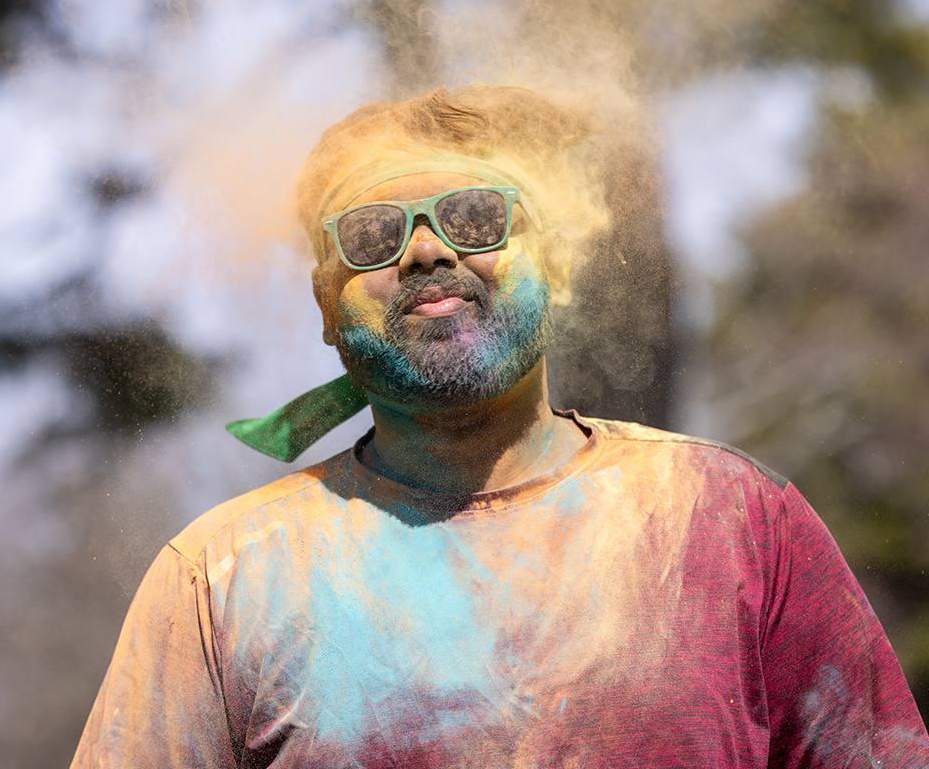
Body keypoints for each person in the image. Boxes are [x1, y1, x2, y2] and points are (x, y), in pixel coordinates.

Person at [70, 84, 929, 768]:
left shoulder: (733, 518)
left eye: (475, 218)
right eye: (372, 235)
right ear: (326, 306)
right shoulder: (222, 579)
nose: (426, 251)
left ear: (555, 268)